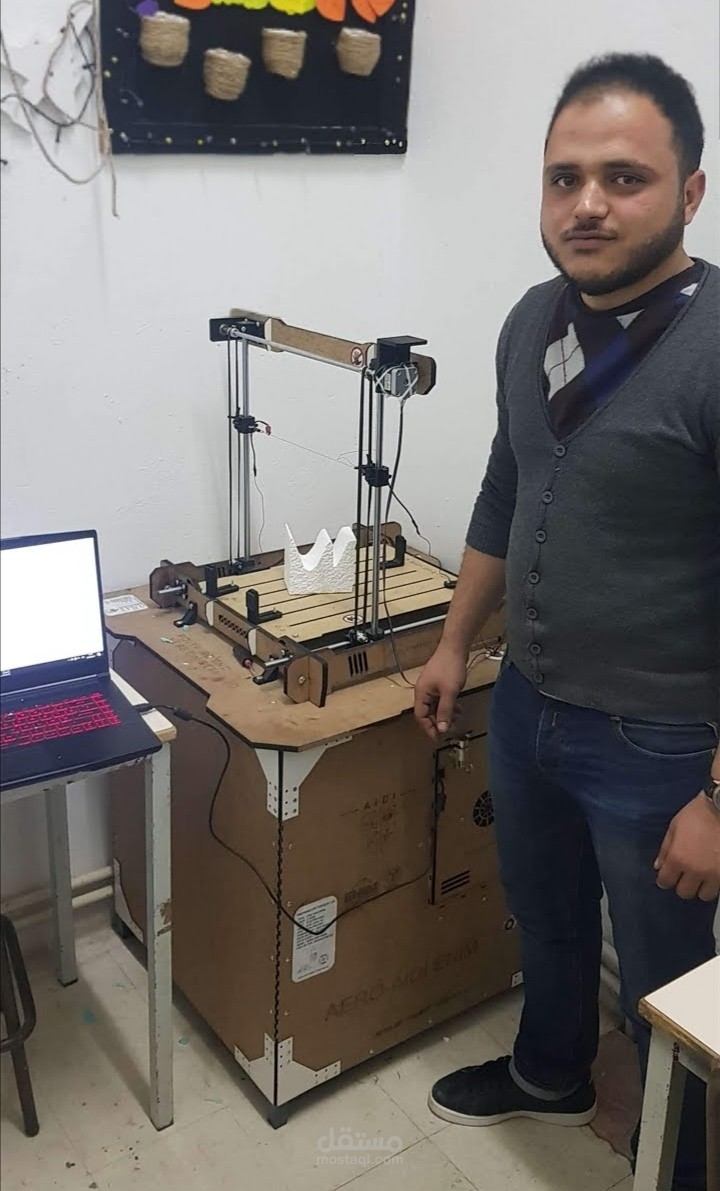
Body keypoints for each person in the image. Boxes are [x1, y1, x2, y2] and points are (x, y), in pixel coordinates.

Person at [414, 52, 719, 1191]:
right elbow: (510, 485)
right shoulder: (530, 321)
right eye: (564, 178)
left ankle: (679, 1157)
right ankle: (551, 1073)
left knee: (664, 980)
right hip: (528, 703)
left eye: (624, 178)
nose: (587, 204)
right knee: (545, 922)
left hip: (661, 742)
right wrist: (456, 644)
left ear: (690, 193)